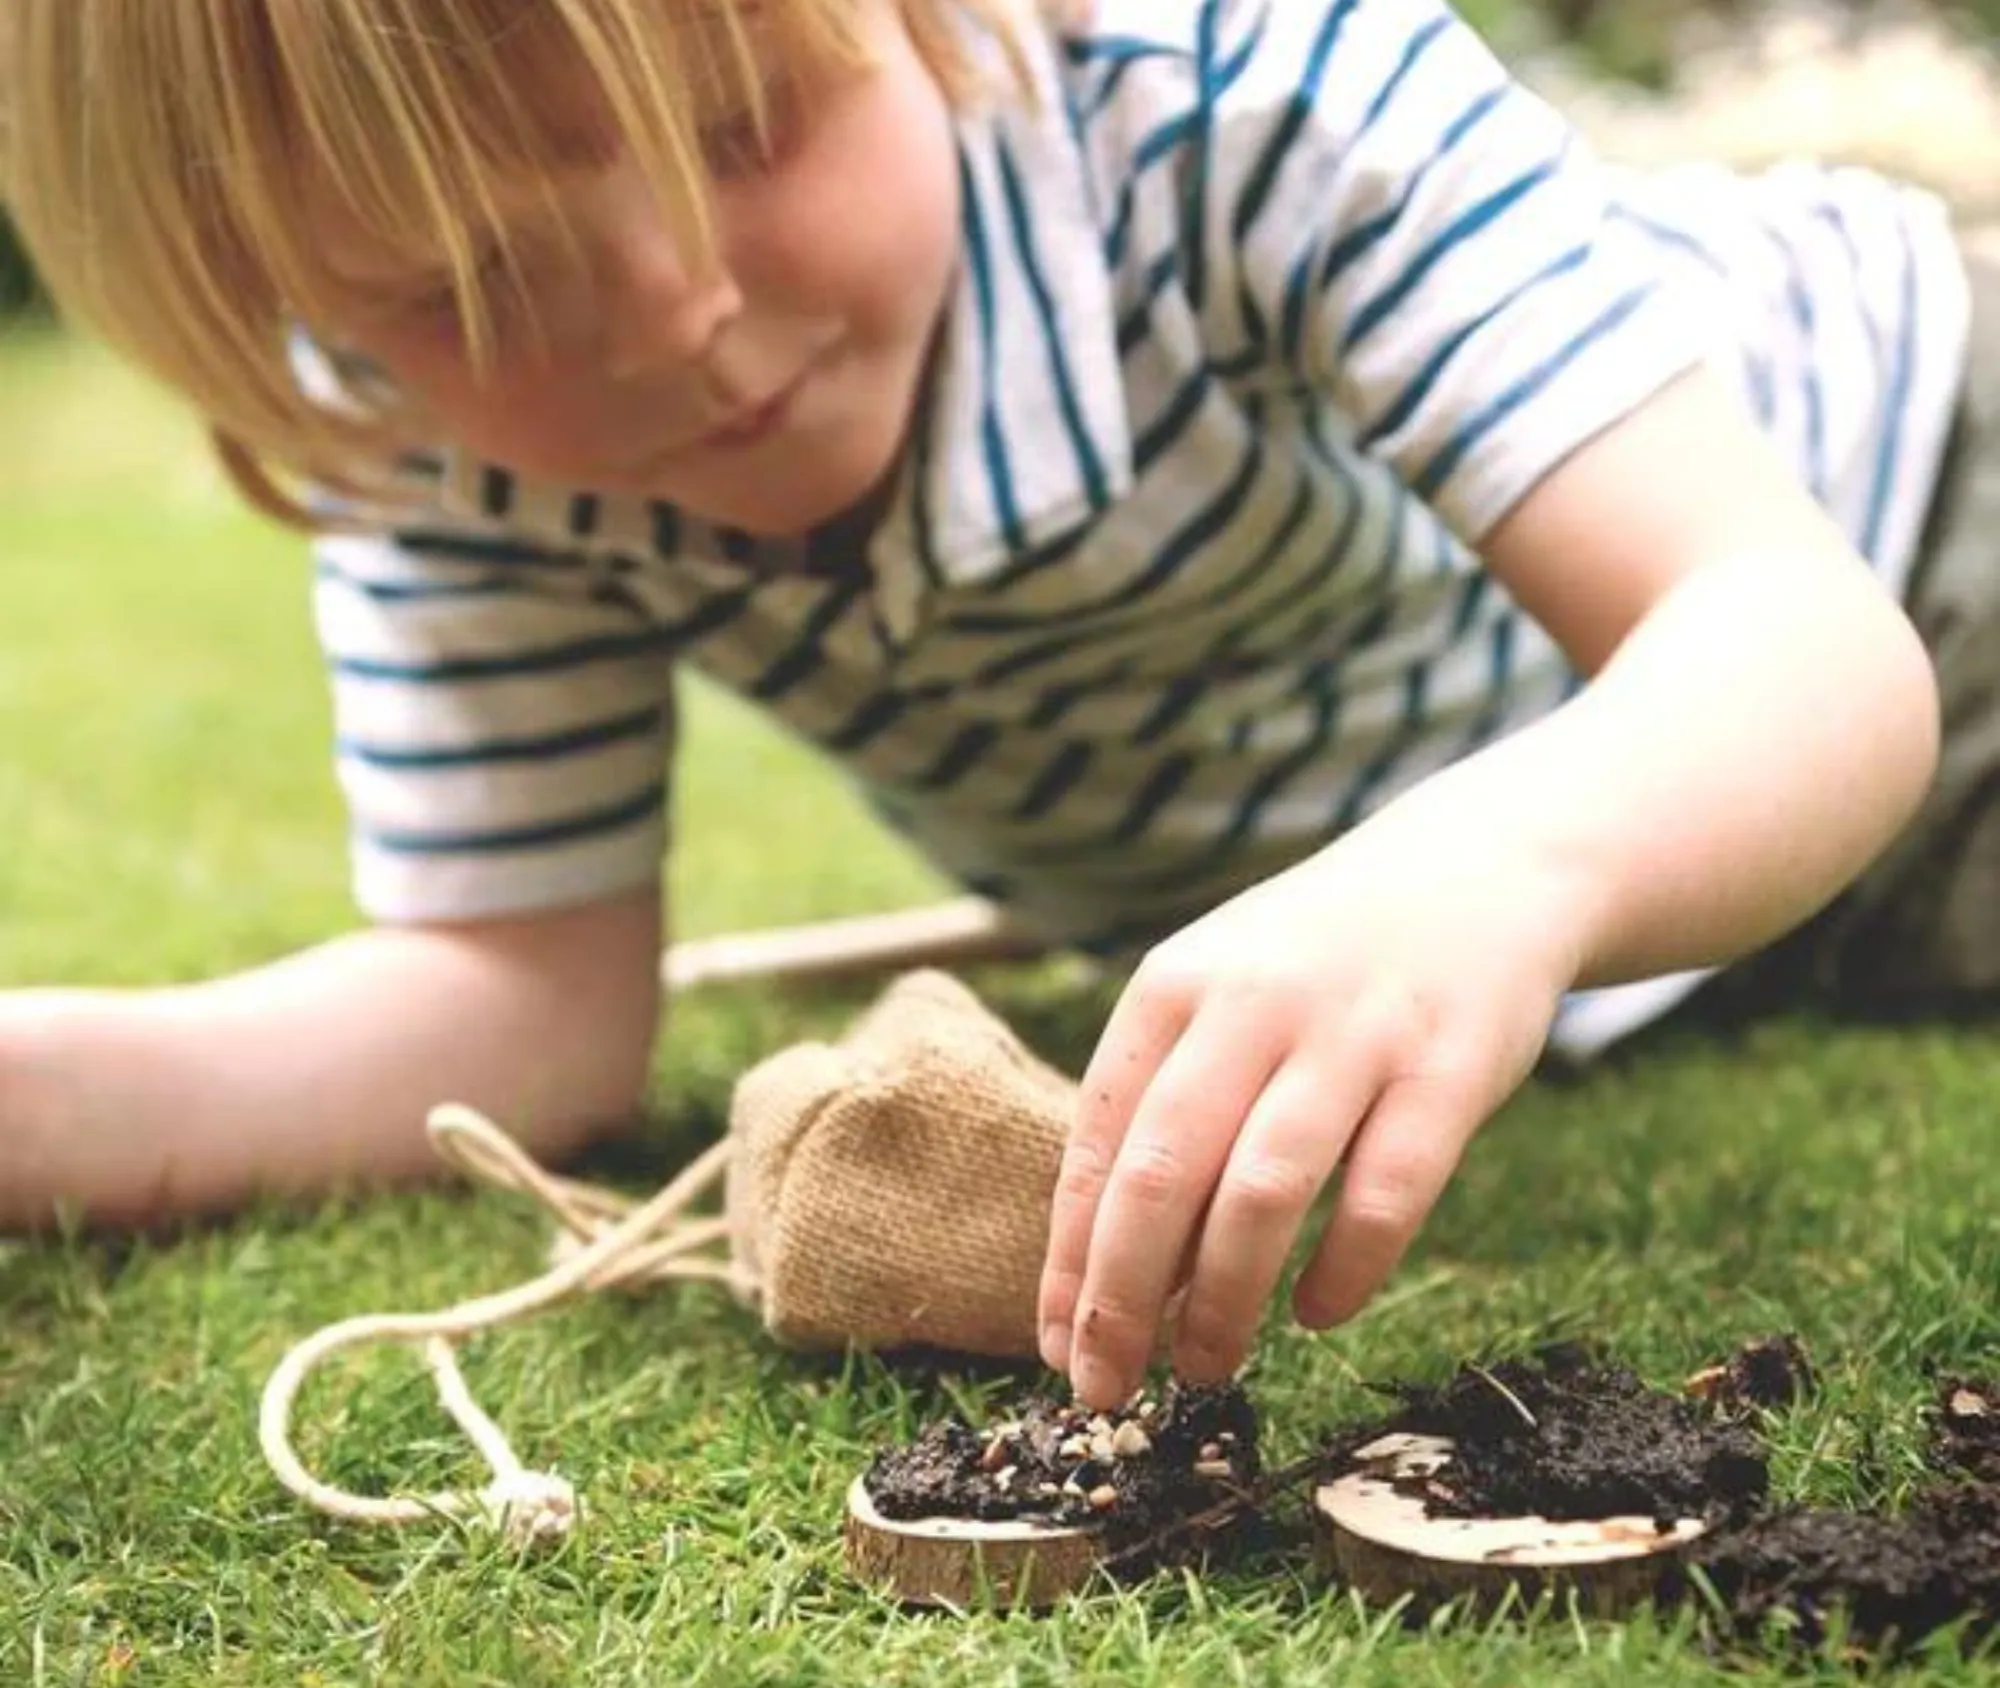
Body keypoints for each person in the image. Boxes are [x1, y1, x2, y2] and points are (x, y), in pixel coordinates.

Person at [0, 0, 1983, 1413]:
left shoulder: (1241, 90)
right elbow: (517, 995)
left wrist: (1496, 859)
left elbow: (1797, 642)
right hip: (1616, 918)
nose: (668, 314)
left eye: (742, 121)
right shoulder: (446, 448)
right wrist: (48, 1095)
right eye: (476, 282)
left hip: (1908, 534)